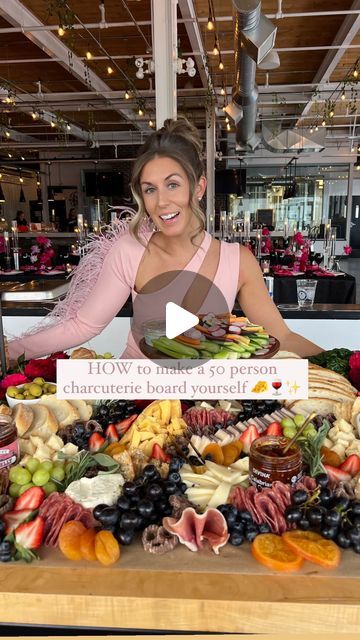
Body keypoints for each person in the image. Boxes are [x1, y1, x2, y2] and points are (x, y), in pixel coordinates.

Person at [7, 117, 322, 362]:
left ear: (197, 188)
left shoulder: (238, 260)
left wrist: (346, 365)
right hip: (138, 396)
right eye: (150, 189)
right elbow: (82, 326)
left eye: (173, 185)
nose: (161, 202)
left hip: (203, 401)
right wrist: (8, 353)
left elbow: (280, 336)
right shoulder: (130, 250)